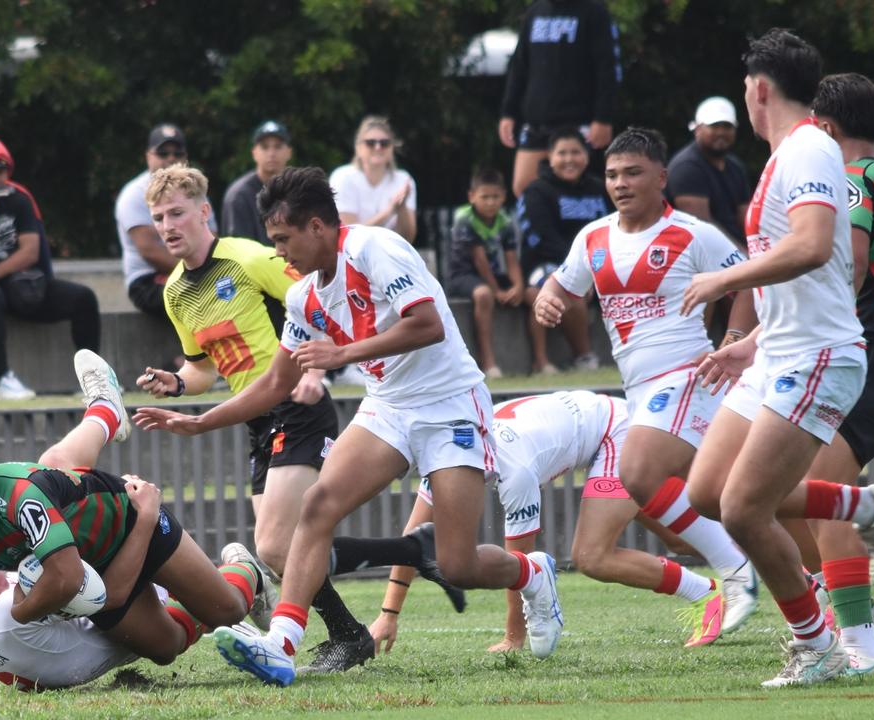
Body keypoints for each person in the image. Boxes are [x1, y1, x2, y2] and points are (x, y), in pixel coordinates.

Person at [134, 167, 563, 687]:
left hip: (450, 404)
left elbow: (427, 323)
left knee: (457, 563)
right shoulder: (302, 297)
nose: (278, 253)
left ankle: (534, 573)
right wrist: (200, 422)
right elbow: (275, 383)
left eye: (283, 240)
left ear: (317, 227)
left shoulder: (375, 249)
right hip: (387, 406)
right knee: (317, 506)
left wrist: (343, 353)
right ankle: (281, 646)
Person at [678, 29, 874, 688]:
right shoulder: (790, 152)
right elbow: (823, 272)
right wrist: (749, 342)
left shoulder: (807, 146)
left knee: (747, 508)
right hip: (780, 348)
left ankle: (819, 645)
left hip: (817, 356)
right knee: (708, 493)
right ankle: (864, 509)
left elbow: (811, 245)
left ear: (757, 90)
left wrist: (725, 280)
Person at [0, 357, 275, 702]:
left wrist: (22, 608)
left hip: (132, 522)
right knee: (163, 649)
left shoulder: (20, 501)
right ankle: (104, 410)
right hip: (82, 549)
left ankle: (246, 569)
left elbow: (75, 582)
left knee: (228, 610)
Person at [136, 165, 376, 673]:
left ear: (204, 212)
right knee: (281, 548)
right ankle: (354, 627)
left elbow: (321, 299)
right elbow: (203, 369)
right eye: (158, 218)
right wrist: (177, 383)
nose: (167, 225)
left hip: (297, 407)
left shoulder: (248, 258)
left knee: (271, 541)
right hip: (256, 421)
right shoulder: (175, 291)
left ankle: (341, 634)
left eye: (177, 212)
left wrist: (318, 367)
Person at [533, 127, 760, 638]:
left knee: (641, 473)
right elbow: (561, 284)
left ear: (662, 177)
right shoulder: (592, 237)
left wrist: (736, 340)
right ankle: (844, 603)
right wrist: (546, 297)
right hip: (641, 395)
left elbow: (748, 281)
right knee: (718, 503)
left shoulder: (691, 233)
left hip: (687, 377)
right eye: (612, 174)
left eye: (633, 172)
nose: (621, 183)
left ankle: (737, 573)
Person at [755, 72, 874, 675]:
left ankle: (861, 646)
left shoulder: (852, 183)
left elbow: (848, 265)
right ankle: (859, 610)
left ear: (824, 127)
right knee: (785, 498)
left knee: (820, 501)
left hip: (868, 350)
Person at [369, 391, 732, 655]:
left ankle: (709, 592)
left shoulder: (515, 470)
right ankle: (750, 555)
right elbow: (412, 541)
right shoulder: (448, 458)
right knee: (681, 541)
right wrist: (388, 615)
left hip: (615, 431)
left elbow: (521, 565)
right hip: (596, 425)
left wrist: (515, 638)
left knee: (592, 555)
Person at [0, 535, 262, 691]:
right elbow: (97, 588)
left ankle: (239, 581)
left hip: (121, 628)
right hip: (133, 615)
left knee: (201, 613)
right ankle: (248, 570)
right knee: (211, 611)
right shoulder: (7, 611)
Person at [0, 138, 100, 400]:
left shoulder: (18, 199)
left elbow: (30, 251)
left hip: (17, 282)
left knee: (83, 298)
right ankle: (2, 379)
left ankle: (94, 379)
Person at [497, 0, 621, 198]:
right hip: (537, 121)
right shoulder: (536, 10)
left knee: (577, 189)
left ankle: (581, 230)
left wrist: (603, 117)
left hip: (578, 121)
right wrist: (508, 112)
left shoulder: (593, 11)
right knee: (524, 187)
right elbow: (519, 65)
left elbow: (607, 69)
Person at [516, 128, 607, 373]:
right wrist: (579, 270)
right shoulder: (536, 191)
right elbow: (540, 237)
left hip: (601, 263)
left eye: (576, 152)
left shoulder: (601, 188)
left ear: (586, 156)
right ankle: (584, 357)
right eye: (562, 153)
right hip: (544, 264)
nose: (569, 159)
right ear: (550, 157)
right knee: (569, 290)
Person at [116, 123, 216, 320]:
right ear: (148, 156)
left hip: (193, 271)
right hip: (149, 279)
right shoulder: (134, 194)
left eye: (177, 153)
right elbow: (150, 251)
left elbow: (212, 239)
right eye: (163, 153)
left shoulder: (195, 190)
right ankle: (193, 352)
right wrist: (200, 275)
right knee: (201, 297)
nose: (171, 158)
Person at [444, 168, 523, 377]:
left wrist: (518, 286)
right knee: (484, 295)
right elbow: (479, 260)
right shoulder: (464, 219)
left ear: (504, 196)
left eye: (495, 197)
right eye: (484, 197)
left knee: (530, 294)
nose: (490, 202)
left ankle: (542, 361)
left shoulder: (505, 221)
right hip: (462, 275)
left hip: (492, 275)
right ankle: (488, 362)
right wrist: (497, 291)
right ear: (472, 196)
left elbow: (511, 258)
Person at [666, 97, 752, 245]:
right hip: (702, 254)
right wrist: (743, 257)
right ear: (697, 129)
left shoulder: (736, 167)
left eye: (727, 126)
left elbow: (746, 220)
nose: (721, 132)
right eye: (714, 126)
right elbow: (701, 229)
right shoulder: (686, 168)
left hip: (737, 252)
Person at [329, 116, 417, 243]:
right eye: (370, 143)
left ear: (392, 148)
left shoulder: (404, 180)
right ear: (358, 148)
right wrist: (389, 211)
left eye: (384, 143)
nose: (378, 147)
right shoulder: (343, 178)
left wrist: (401, 207)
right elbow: (348, 236)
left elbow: (408, 238)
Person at [222, 120, 293, 245]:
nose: (271, 153)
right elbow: (239, 249)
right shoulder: (239, 195)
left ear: (289, 152)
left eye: (278, 146)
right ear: (254, 153)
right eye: (265, 147)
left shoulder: (298, 190)